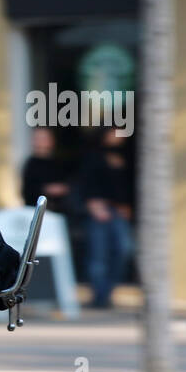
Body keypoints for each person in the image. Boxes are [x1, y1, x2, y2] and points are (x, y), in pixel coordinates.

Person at [80, 128, 134, 309]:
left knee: (123, 250)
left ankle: (108, 292)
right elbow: (86, 183)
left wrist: (127, 205)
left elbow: (128, 185)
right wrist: (93, 205)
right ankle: (99, 296)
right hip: (99, 210)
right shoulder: (93, 156)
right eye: (115, 132)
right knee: (98, 255)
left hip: (119, 212)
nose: (119, 136)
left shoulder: (128, 156)